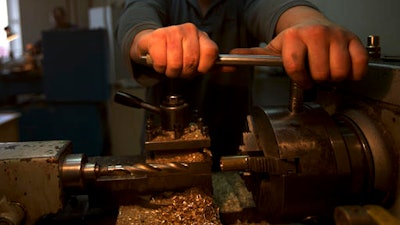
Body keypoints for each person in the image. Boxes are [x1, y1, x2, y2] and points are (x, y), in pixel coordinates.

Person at [116, 0, 368, 170]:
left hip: (237, 149)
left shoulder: (241, 3)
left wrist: (309, 22)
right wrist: (148, 38)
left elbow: (277, 6)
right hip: (165, 154)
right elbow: (137, 19)